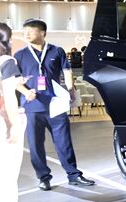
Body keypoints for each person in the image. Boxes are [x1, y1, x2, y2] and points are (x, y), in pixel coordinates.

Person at [14, 19, 95, 190]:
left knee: (64, 142)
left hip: (56, 104)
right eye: (25, 31)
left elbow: (67, 71)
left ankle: (73, 175)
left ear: (42, 33)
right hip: (32, 106)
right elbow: (15, 81)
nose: (26, 34)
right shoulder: (20, 55)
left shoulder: (56, 51)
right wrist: (26, 92)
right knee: (36, 145)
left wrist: (71, 89)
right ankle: (43, 177)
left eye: (30, 30)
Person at [0, 22, 31, 202]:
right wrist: (15, 125)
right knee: (7, 172)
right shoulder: (6, 61)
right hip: (2, 120)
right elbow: (9, 97)